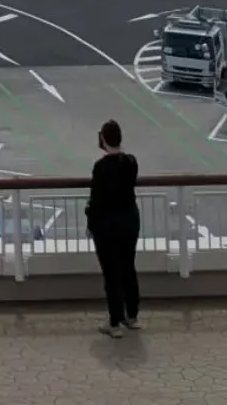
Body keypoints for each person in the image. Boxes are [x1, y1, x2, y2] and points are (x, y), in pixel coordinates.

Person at [86, 119, 141, 336]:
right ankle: (133, 315)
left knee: (111, 272)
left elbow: (96, 200)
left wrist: (90, 222)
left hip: (108, 225)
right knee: (128, 267)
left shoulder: (101, 168)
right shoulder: (131, 162)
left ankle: (114, 322)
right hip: (130, 220)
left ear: (103, 140)